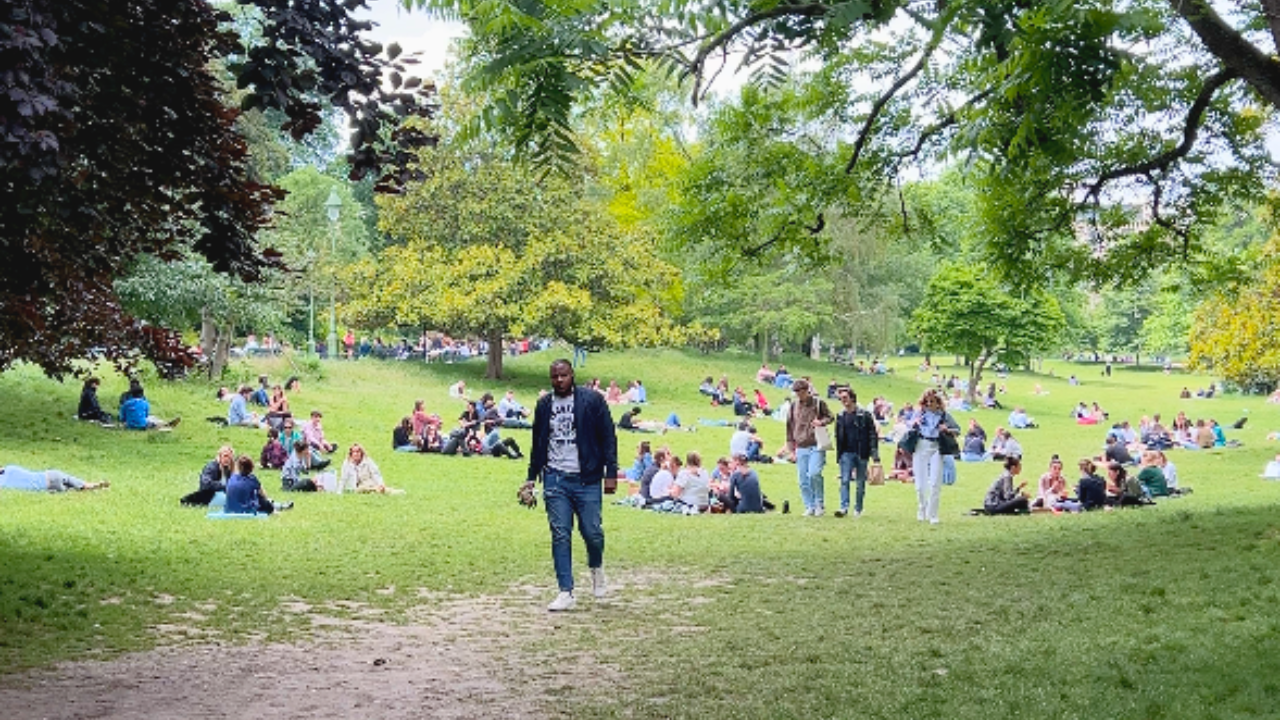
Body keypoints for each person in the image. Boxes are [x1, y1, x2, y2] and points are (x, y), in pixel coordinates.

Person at [523, 359, 618, 612]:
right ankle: (565, 591)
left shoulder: (592, 400)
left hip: (587, 478)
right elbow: (538, 442)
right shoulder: (545, 405)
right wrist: (531, 478)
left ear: (572, 375)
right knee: (560, 533)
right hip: (555, 478)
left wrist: (611, 473)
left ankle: (596, 567)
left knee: (592, 532)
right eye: (555, 376)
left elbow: (608, 436)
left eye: (563, 375)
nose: (559, 380)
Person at [910, 389, 960, 524]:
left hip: (937, 446)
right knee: (920, 485)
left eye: (932, 401)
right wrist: (915, 424)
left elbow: (957, 430)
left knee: (935, 483)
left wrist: (947, 429)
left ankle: (933, 514)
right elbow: (909, 426)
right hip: (921, 445)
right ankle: (922, 508)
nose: (929, 404)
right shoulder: (920, 413)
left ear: (938, 402)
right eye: (926, 401)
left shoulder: (944, 415)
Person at [785, 379, 834, 516]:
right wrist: (791, 448)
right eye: (796, 392)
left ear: (807, 390)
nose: (798, 394)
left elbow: (830, 417)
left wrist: (821, 422)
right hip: (800, 445)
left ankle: (819, 503)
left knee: (814, 473)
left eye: (801, 391)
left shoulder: (818, 403)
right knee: (803, 479)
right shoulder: (793, 406)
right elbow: (789, 427)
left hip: (817, 443)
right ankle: (809, 505)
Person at [834, 386, 879, 518]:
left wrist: (874, 454)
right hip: (846, 452)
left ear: (852, 398)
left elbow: (872, 435)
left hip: (861, 452)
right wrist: (839, 455)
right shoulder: (840, 416)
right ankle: (844, 507)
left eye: (845, 397)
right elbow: (838, 436)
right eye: (841, 398)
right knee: (844, 480)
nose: (843, 401)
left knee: (860, 482)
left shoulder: (864, 415)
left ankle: (858, 508)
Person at [225, 455, 291, 514]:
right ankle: (275, 508)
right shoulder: (252, 479)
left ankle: (276, 505)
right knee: (261, 498)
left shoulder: (232, 477)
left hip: (229, 509)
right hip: (245, 510)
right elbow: (264, 495)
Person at [0, 465, 107, 492]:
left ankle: (88, 487)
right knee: (76, 484)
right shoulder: (10, 468)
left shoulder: (3, 482)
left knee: (70, 489)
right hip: (50, 476)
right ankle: (90, 485)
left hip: (47, 487)